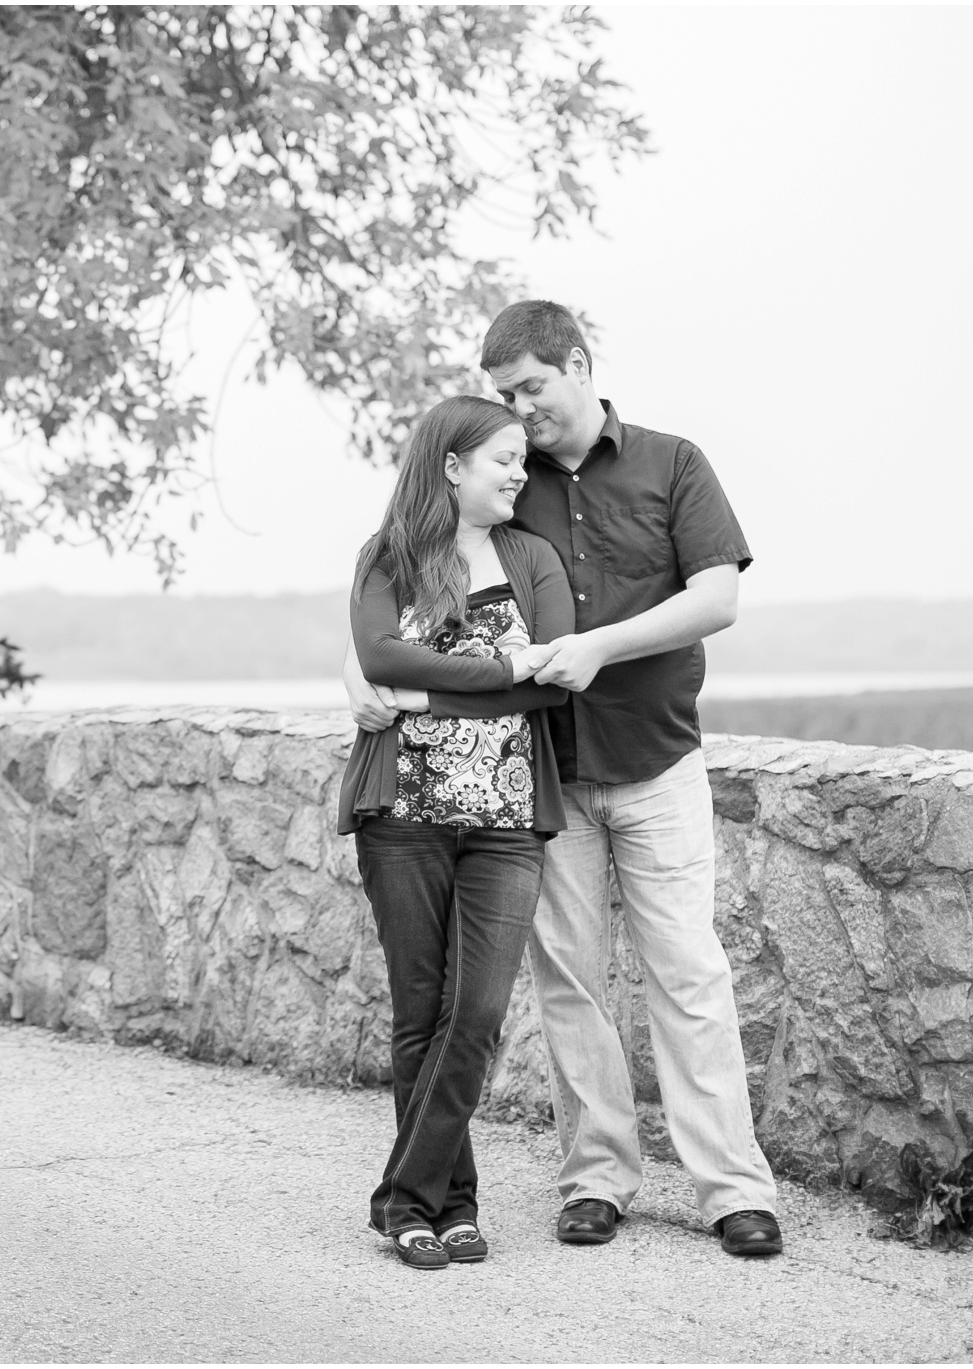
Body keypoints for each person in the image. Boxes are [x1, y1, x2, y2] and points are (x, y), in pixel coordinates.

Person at [345, 300, 784, 1259]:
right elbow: (409, 595)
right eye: (506, 397)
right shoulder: (506, 480)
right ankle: (597, 1180)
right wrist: (357, 673)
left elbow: (718, 598)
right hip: (545, 778)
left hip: (656, 757)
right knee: (571, 987)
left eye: (532, 388)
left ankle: (733, 1190)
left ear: (579, 365)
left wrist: (598, 647)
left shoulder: (673, 462)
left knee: (689, 973)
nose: (521, 411)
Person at [335, 395, 575, 1269]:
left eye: (522, 459)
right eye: (504, 458)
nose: (520, 473)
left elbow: (551, 683)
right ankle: (449, 1205)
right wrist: (502, 667)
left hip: (508, 820)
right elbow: (379, 657)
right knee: (419, 1013)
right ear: (451, 465)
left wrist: (438, 693)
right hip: (403, 815)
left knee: (475, 1013)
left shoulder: (532, 556)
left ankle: (403, 1195)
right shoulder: (390, 555)